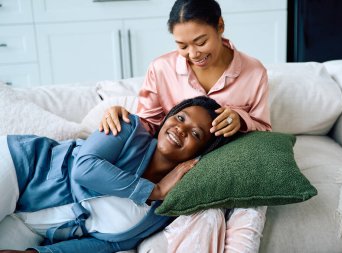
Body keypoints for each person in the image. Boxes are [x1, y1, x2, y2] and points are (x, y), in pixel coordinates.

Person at [99, 0, 271, 252]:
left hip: (225, 171)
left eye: (201, 42)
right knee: (207, 218)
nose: (193, 54)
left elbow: (265, 132)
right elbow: (148, 124)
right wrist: (119, 113)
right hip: (178, 174)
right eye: (182, 46)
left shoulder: (254, 72)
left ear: (220, 26)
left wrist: (241, 119)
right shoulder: (161, 68)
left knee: (253, 204)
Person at [0, 96, 225, 253]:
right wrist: (154, 190)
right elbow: (84, 169)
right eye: (180, 118)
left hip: (28, 223)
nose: (181, 129)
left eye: (196, 133)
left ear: (200, 153)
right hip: (22, 166)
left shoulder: (164, 211)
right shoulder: (128, 127)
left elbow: (112, 245)